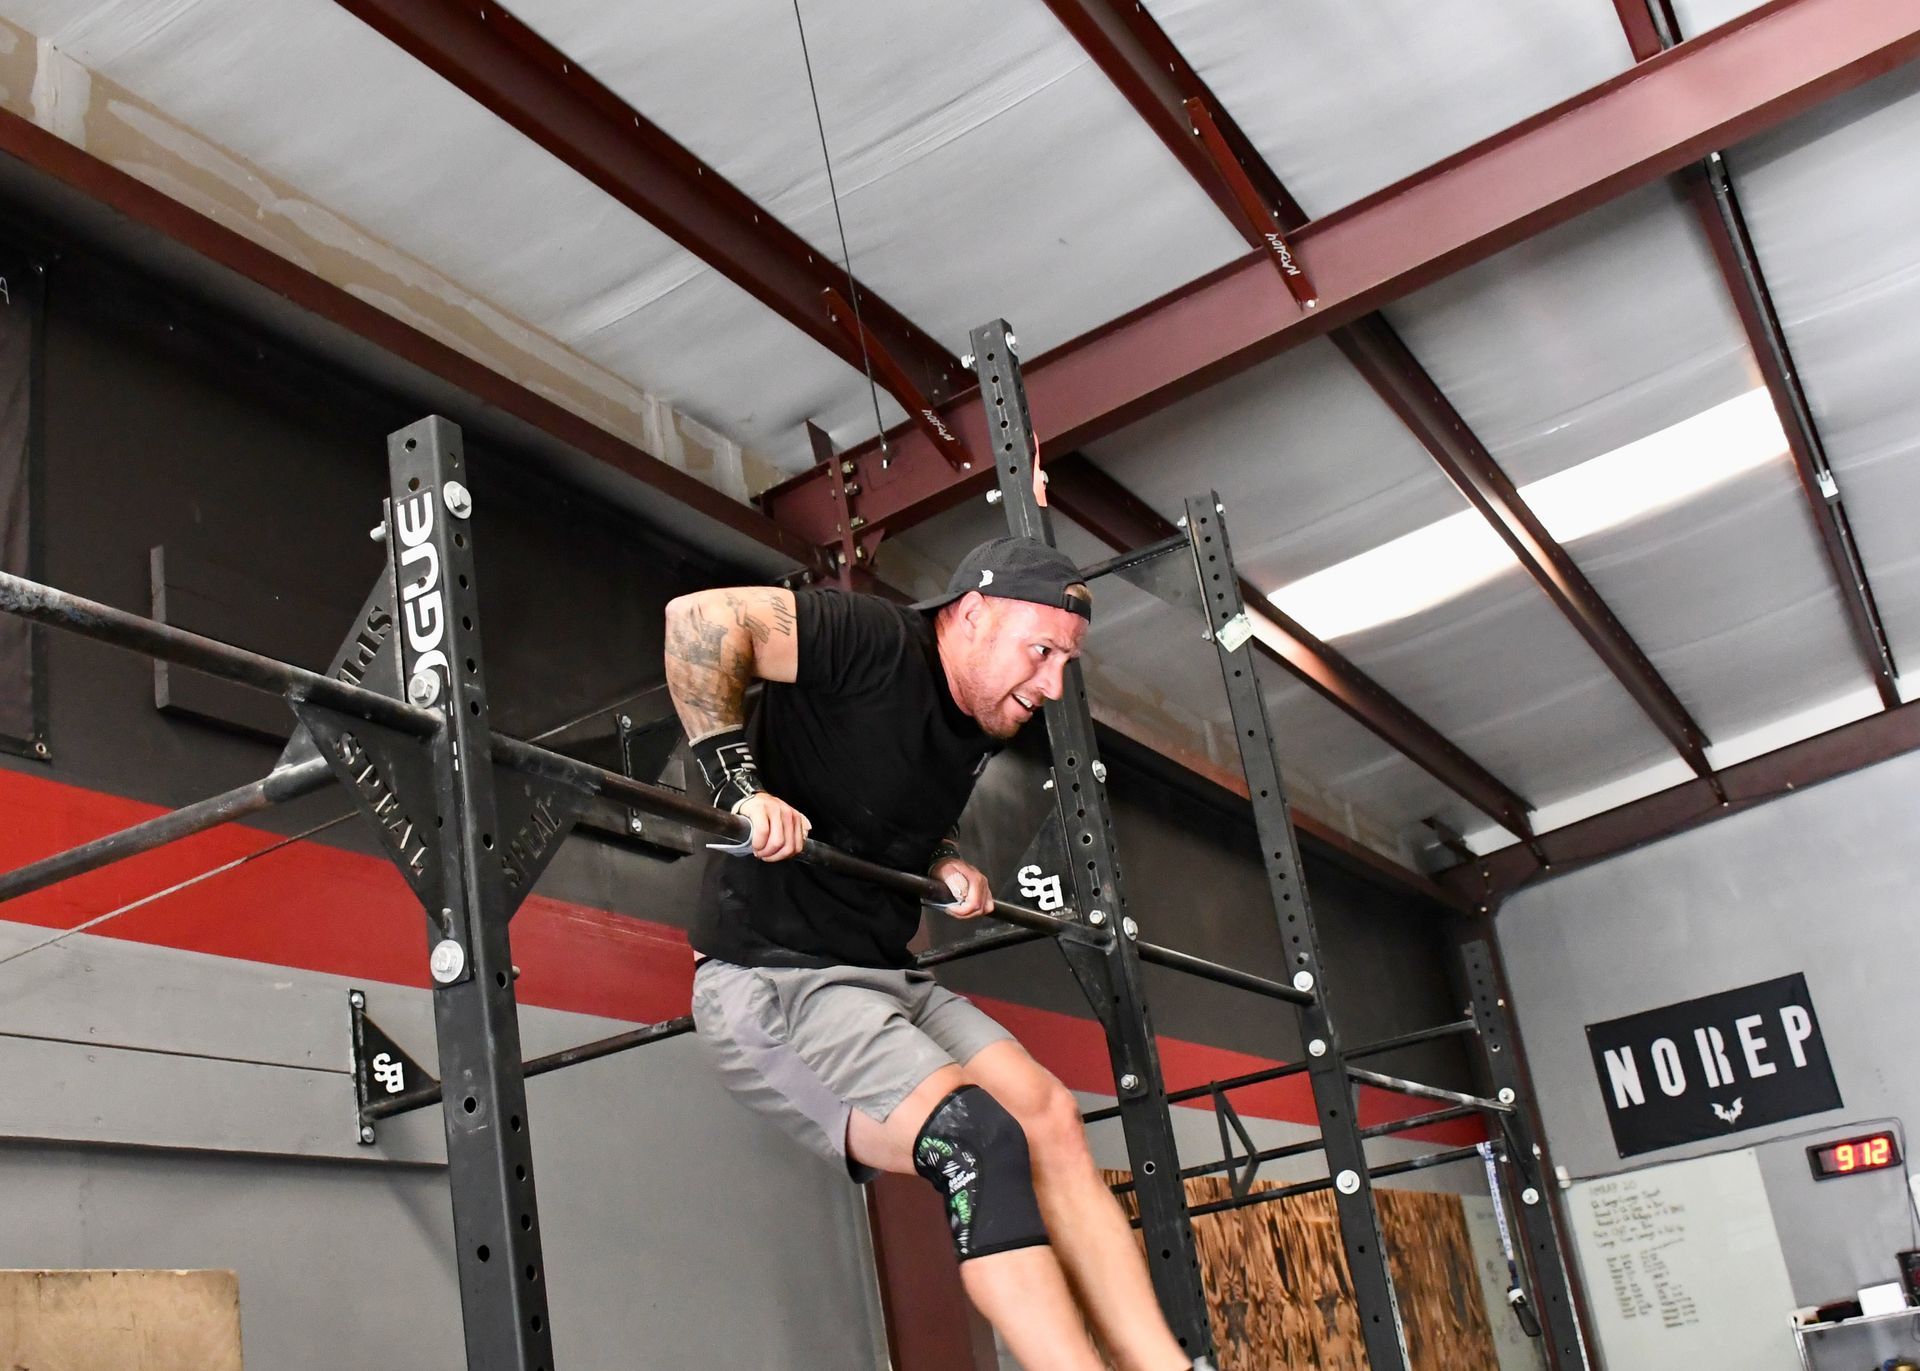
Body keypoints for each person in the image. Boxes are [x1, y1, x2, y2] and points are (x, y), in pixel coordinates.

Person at [666, 536, 1213, 1371]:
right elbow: (697, 620)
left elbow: (894, 794)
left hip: (883, 975)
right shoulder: (870, 639)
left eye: (1066, 661)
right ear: (971, 615)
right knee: (977, 1135)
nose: (1053, 683)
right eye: (1041, 651)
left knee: (1050, 1117)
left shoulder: (977, 719)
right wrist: (739, 786)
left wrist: (940, 859)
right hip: (775, 982)